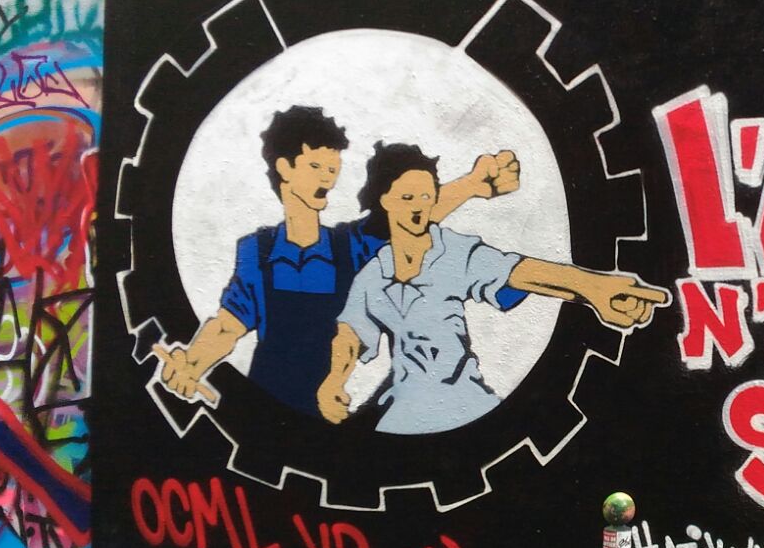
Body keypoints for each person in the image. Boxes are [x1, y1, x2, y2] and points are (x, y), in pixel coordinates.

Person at [154, 105, 522, 416]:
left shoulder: (350, 247)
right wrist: (192, 364)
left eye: (332, 170)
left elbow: (408, 218)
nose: (327, 179)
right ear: (285, 168)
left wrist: (472, 185)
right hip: (266, 411)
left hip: (329, 415)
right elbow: (227, 327)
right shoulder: (257, 252)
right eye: (316, 166)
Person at [317, 143, 666, 434]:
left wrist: (593, 288)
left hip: (465, 402)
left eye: (426, 195)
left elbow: (519, 271)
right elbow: (351, 334)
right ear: (385, 201)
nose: (419, 206)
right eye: (407, 197)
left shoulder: (454, 252)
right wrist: (334, 381)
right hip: (405, 410)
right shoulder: (374, 275)